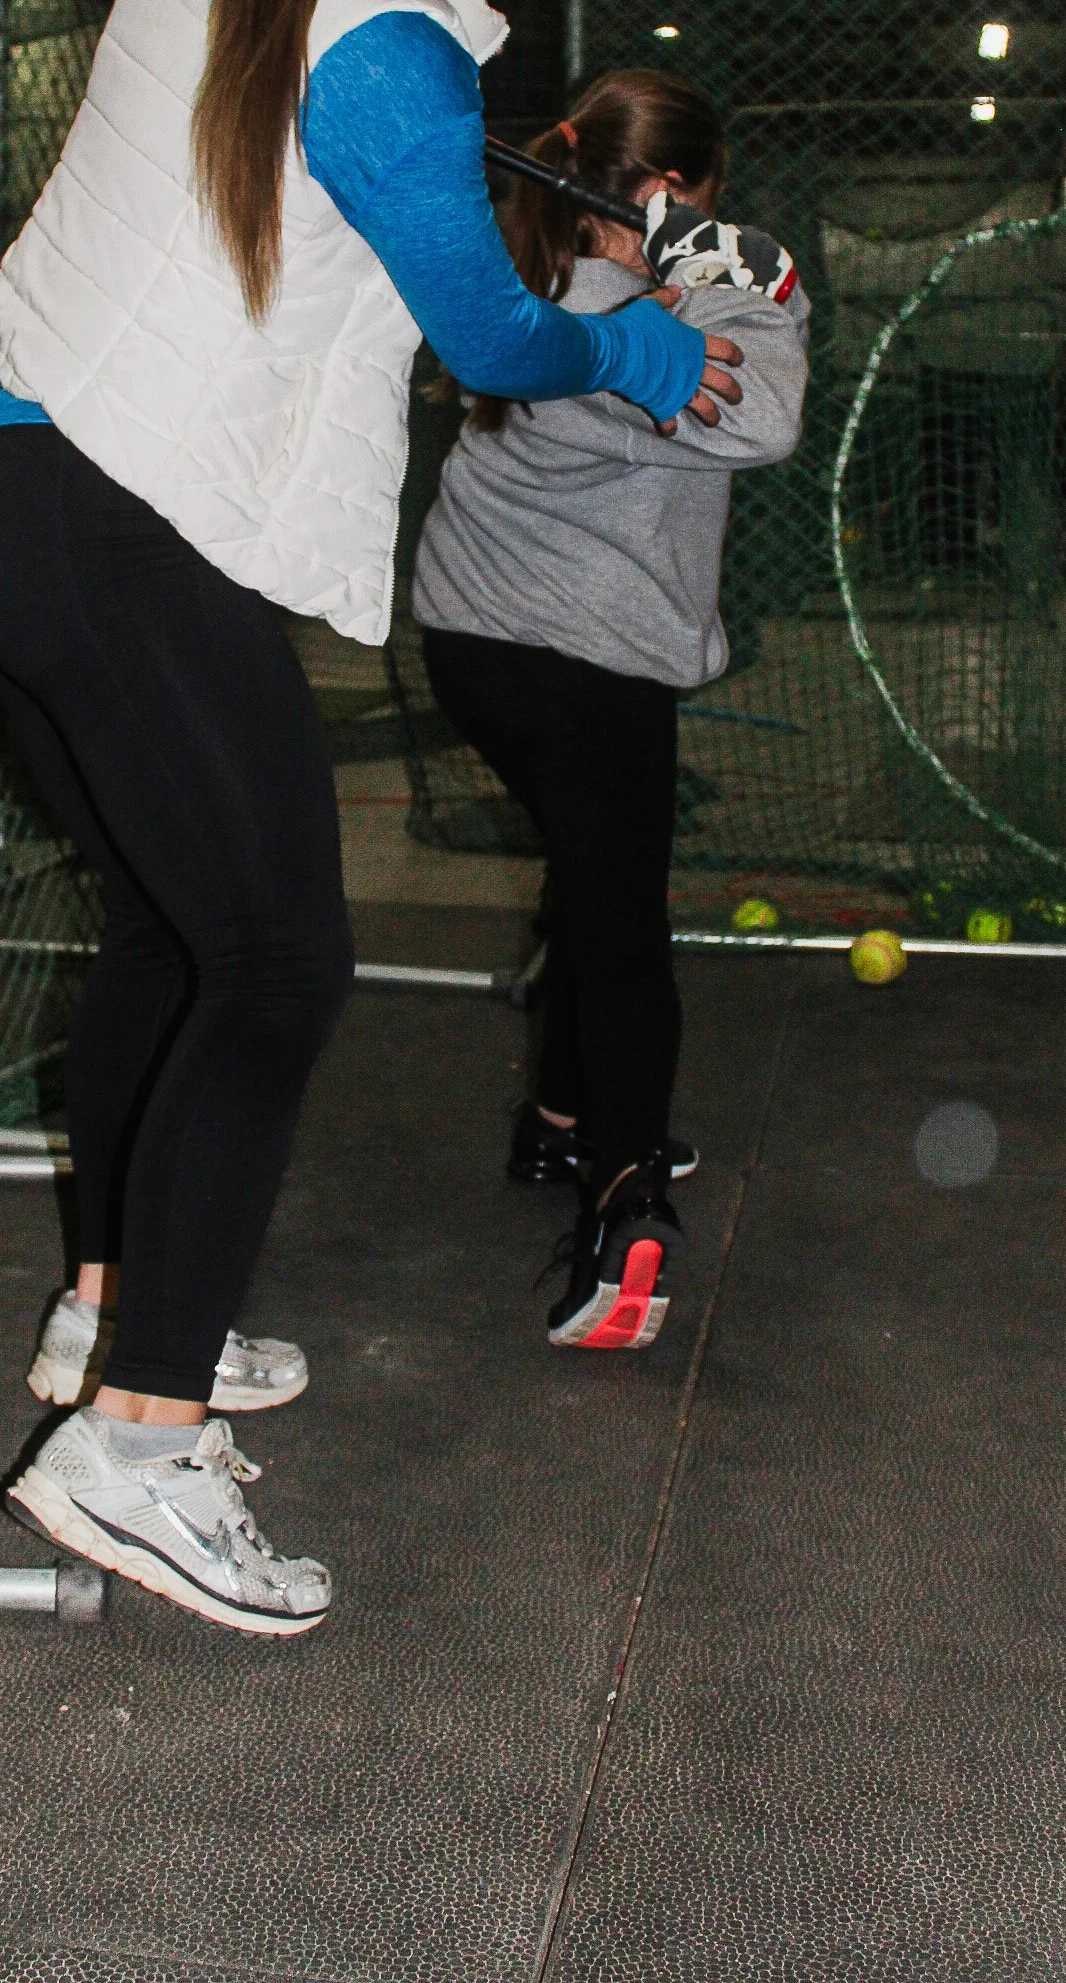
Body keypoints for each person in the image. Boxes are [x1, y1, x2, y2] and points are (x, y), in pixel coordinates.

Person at [0, 0, 745, 1636]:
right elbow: (495, 340)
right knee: (278, 959)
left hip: (3, 492)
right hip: (114, 523)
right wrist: (632, 338)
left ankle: (116, 1310)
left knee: (172, 933)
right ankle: (136, 1441)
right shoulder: (382, 36)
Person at [412, 68, 810, 1351]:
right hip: (572, 653)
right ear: (680, 193)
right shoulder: (609, 315)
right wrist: (744, 274)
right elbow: (764, 413)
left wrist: (703, 263)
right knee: (622, 910)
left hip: (474, 642)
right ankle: (625, 1197)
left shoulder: (543, 285)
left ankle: (566, 1120)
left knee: (595, 870)